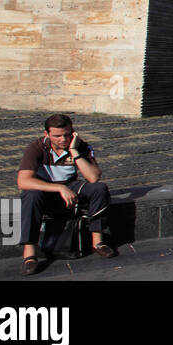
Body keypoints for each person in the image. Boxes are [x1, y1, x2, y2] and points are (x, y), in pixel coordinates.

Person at [17, 114, 116, 275]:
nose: (63, 139)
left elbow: (93, 177)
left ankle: (97, 242)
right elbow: (23, 181)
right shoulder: (36, 148)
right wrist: (59, 189)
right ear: (46, 134)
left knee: (99, 189)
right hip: (46, 189)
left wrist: (74, 151)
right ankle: (29, 254)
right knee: (30, 195)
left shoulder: (80, 146)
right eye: (57, 136)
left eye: (67, 134)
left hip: (71, 185)